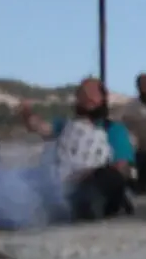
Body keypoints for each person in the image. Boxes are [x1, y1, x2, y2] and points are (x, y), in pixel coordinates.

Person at [20, 77, 136, 221]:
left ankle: (89, 208)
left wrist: (91, 174)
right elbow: (40, 128)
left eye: (92, 94)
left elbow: (122, 167)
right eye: (83, 94)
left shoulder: (114, 130)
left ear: (103, 99)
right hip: (64, 184)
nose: (88, 99)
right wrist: (27, 112)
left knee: (108, 178)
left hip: (95, 183)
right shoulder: (64, 125)